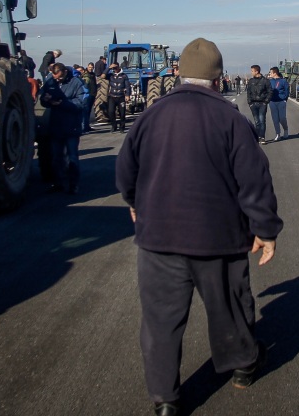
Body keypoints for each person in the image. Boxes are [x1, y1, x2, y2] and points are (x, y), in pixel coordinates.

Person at [117, 37, 283, 416]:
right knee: (229, 306)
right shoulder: (230, 119)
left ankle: (165, 400)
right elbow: (255, 181)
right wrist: (266, 229)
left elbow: (126, 169)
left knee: (160, 321)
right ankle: (242, 366)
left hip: (158, 239)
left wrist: (134, 202)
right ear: (219, 78)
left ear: (178, 73)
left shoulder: (150, 116)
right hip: (219, 239)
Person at [38, 63, 88, 193]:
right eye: (55, 78)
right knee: (56, 157)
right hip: (56, 126)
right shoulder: (51, 82)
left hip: (72, 127)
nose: (57, 80)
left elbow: (82, 101)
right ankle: (58, 183)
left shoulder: (76, 82)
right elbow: (42, 98)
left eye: (59, 78)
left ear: (65, 72)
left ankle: (73, 185)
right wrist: (46, 99)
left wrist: (62, 103)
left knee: (72, 157)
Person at [245, 65, 271, 145]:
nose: (251, 72)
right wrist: (250, 102)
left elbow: (270, 91)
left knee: (262, 120)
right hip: (253, 103)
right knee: (257, 121)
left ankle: (262, 137)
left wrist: (266, 101)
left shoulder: (265, 81)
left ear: (257, 71)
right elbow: (248, 92)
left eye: (252, 71)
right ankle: (257, 137)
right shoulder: (251, 81)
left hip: (262, 103)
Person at [267, 67, 290, 141]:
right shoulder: (270, 81)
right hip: (272, 102)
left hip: (281, 101)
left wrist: (285, 99)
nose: (270, 74)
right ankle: (278, 134)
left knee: (282, 118)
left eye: (271, 72)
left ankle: (285, 129)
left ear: (275, 73)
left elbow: (287, 91)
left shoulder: (283, 81)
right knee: (275, 119)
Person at [107, 62, 131, 133]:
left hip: (121, 97)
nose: (115, 69)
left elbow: (127, 86)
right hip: (112, 96)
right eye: (113, 68)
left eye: (115, 67)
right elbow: (101, 75)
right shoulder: (110, 75)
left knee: (122, 113)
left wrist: (127, 95)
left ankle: (122, 127)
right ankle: (114, 126)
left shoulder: (124, 76)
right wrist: (109, 68)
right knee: (111, 112)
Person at [81, 63, 97, 133]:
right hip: (87, 95)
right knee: (85, 111)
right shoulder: (85, 75)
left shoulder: (93, 75)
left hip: (92, 94)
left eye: (92, 67)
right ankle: (84, 127)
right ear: (87, 67)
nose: (91, 68)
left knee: (89, 111)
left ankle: (87, 126)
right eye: (90, 67)